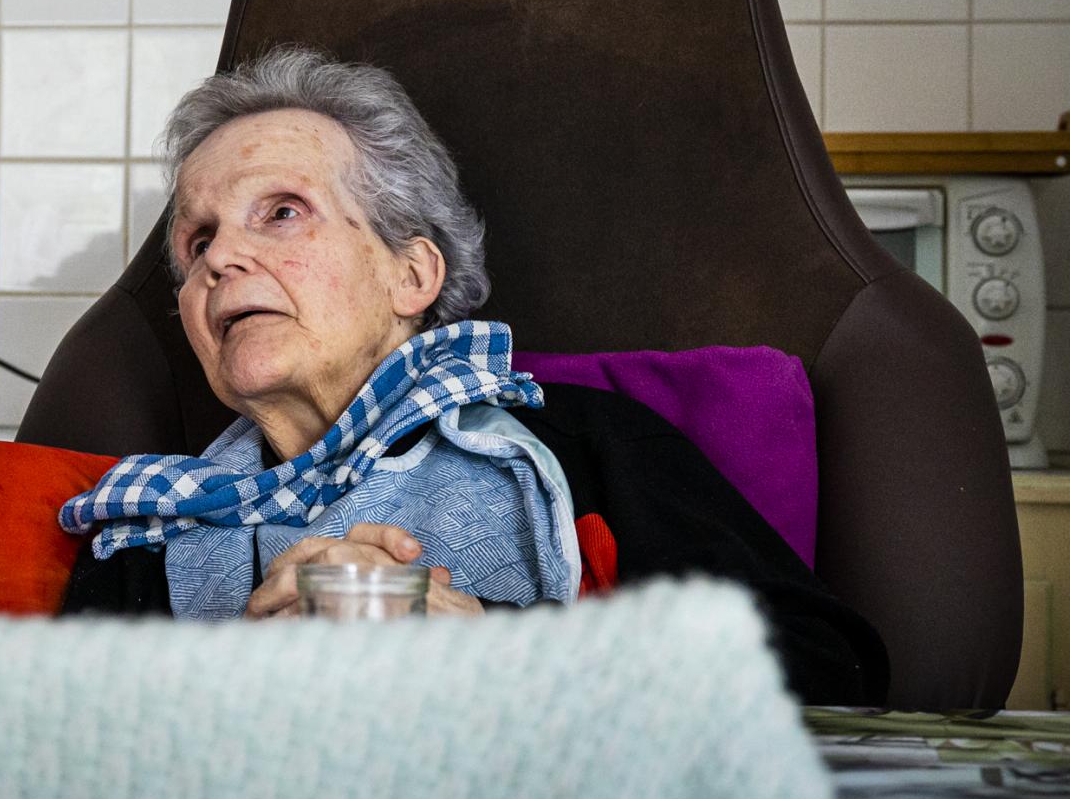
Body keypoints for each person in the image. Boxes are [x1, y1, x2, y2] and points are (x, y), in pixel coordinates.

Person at [56, 45, 887, 704]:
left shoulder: (586, 444)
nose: (221, 258)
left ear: (411, 275)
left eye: (281, 212)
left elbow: (826, 671)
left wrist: (492, 647)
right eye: (197, 242)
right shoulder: (148, 533)